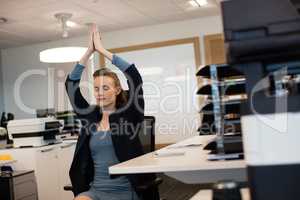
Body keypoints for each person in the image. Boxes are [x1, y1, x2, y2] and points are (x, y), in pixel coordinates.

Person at [65, 25, 159, 200]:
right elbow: (71, 87)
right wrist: (88, 53)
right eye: (96, 88)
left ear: (117, 90)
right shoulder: (90, 117)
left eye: (105, 88)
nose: (99, 92)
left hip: (125, 191)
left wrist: (102, 50)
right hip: (95, 191)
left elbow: (135, 77)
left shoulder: (129, 115)